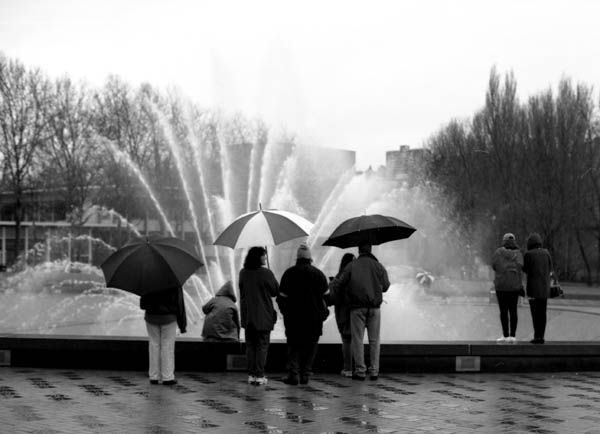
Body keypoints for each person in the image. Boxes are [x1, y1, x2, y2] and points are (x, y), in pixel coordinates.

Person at [332, 241, 390, 381]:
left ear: (359, 251)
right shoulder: (378, 266)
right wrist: (375, 287)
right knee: (374, 340)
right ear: (370, 250)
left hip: (357, 308)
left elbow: (340, 284)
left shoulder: (352, 265)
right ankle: (374, 370)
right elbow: (386, 286)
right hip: (375, 308)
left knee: (357, 339)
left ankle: (360, 370)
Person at [277, 243, 329, 385]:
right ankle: (305, 374)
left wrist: (285, 311)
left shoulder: (289, 273)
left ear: (297, 258)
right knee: (311, 345)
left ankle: (293, 374)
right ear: (310, 259)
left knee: (294, 345)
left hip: (294, 318)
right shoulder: (319, 274)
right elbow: (327, 297)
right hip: (314, 318)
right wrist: (324, 312)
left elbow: (281, 297)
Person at [239, 246, 279, 385]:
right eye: (264, 255)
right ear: (258, 257)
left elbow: (242, 290)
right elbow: (275, 291)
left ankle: (251, 375)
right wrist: (271, 275)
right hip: (263, 315)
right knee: (262, 345)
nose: (265, 258)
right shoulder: (266, 273)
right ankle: (260, 375)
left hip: (248, 315)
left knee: (250, 345)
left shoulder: (243, 273)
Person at [139, 285, 187, 385]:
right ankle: (167, 377)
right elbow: (180, 304)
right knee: (167, 346)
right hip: (169, 318)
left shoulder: (148, 280)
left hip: (151, 318)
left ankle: (154, 376)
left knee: (153, 346)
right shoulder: (174, 281)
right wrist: (182, 326)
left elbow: (142, 305)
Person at [325, 253, 356, 377]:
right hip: (350, 311)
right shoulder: (352, 277)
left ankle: (348, 367)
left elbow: (331, 298)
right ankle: (351, 368)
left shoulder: (338, 277)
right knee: (351, 340)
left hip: (341, 313)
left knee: (346, 340)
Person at [491, 233, 524, 343]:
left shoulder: (498, 253)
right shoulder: (518, 254)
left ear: (503, 241)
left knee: (503, 311)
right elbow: (520, 268)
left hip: (501, 286)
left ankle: (505, 335)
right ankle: (512, 335)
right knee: (513, 310)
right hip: (514, 287)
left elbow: (494, 266)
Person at [523, 232, 553, 344]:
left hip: (533, 290)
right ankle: (542, 336)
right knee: (542, 313)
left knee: (535, 314)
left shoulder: (528, 255)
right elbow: (550, 268)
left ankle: (537, 336)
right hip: (544, 289)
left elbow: (525, 269)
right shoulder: (547, 253)